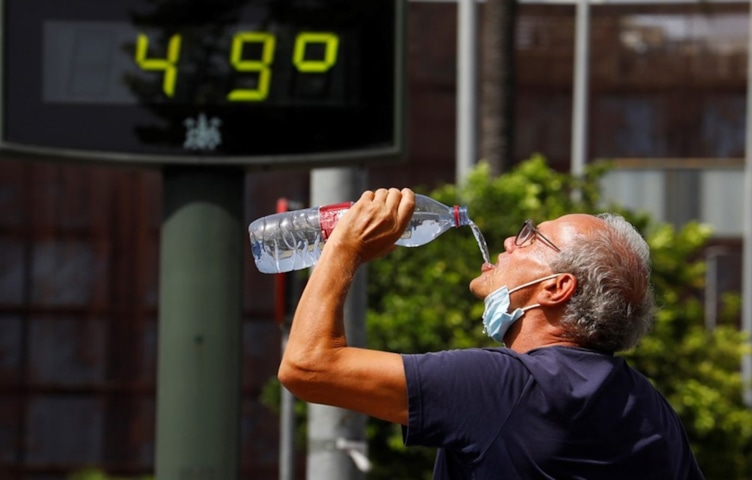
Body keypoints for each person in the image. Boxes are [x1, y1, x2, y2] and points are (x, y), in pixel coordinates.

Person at [278, 187, 705, 479]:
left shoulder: (506, 386)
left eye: (531, 237)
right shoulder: (650, 408)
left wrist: (344, 248)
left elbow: (307, 365)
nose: (508, 241)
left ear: (556, 288)